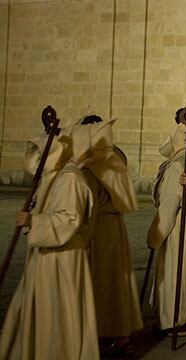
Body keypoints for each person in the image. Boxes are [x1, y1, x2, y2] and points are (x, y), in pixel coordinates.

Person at [0, 125, 98, 360]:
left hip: (62, 258)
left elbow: (69, 219)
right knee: (38, 311)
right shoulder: (53, 178)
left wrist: (34, 221)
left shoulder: (70, 179)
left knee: (57, 313)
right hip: (44, 257)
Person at [72, 116, 142, 355]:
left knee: (101, 283)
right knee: (116, 282)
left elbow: (85, 200)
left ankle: (102, 333)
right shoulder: (117, 155)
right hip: (115, 225)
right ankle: (121, 334)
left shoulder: (93, 161)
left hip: (97, 227)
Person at [148, 123, 186, 333]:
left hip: (181, 221)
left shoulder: (177, 166)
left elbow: (169, 203)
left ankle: (177, 318)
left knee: (178, 269)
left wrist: (156, 236)